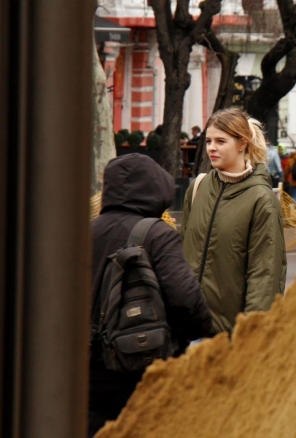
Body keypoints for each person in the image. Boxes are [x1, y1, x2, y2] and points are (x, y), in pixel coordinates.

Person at [89, 153, 212, 437]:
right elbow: (185, 300)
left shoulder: (85, 232)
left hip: (89, 376)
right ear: (156, 188)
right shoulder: (157, 234)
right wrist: (198, 330)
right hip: (142, 371)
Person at [181, 107, 287, 335]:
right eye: (209, 141)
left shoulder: (261, 199)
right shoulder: (198, 188)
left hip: (228, 334)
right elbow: (182, 254)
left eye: (220, 141)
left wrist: (249, 334)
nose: (211, 147)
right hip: (187, 327)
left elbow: (264, 275)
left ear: (242, 144)